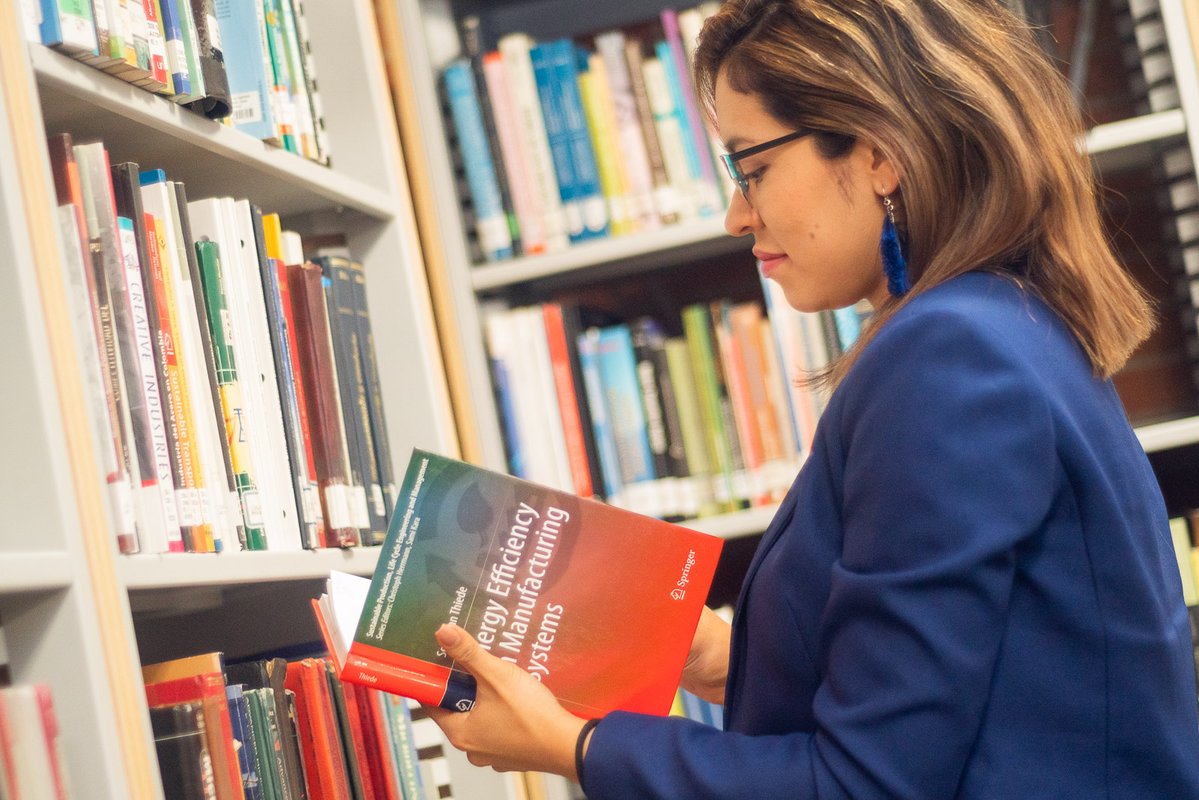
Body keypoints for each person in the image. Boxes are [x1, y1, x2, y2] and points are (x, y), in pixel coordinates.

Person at [427, 0, 1199, 796]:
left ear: (878, 153)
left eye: (751, 169)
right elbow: (999, 677)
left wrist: (575, 746)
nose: (736, 214)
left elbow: (863, 785)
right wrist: (727, 660)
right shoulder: (1006, 320)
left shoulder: (950, 358)